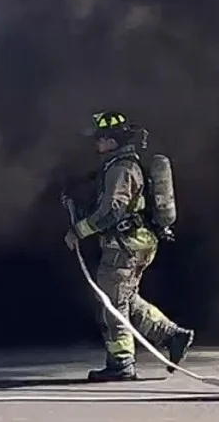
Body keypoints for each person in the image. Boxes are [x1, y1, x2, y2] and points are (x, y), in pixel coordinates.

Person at [64, 111, 194, 382]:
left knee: (111, 303)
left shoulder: (121, 169)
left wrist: (79, 230)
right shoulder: (122, 165)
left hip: (125, 245)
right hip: (135, 242)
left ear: (112, 141)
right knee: (124, 297)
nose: (96, 144)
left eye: (100, 139)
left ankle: (121, 362)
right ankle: (171, 336)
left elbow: (112, 210)